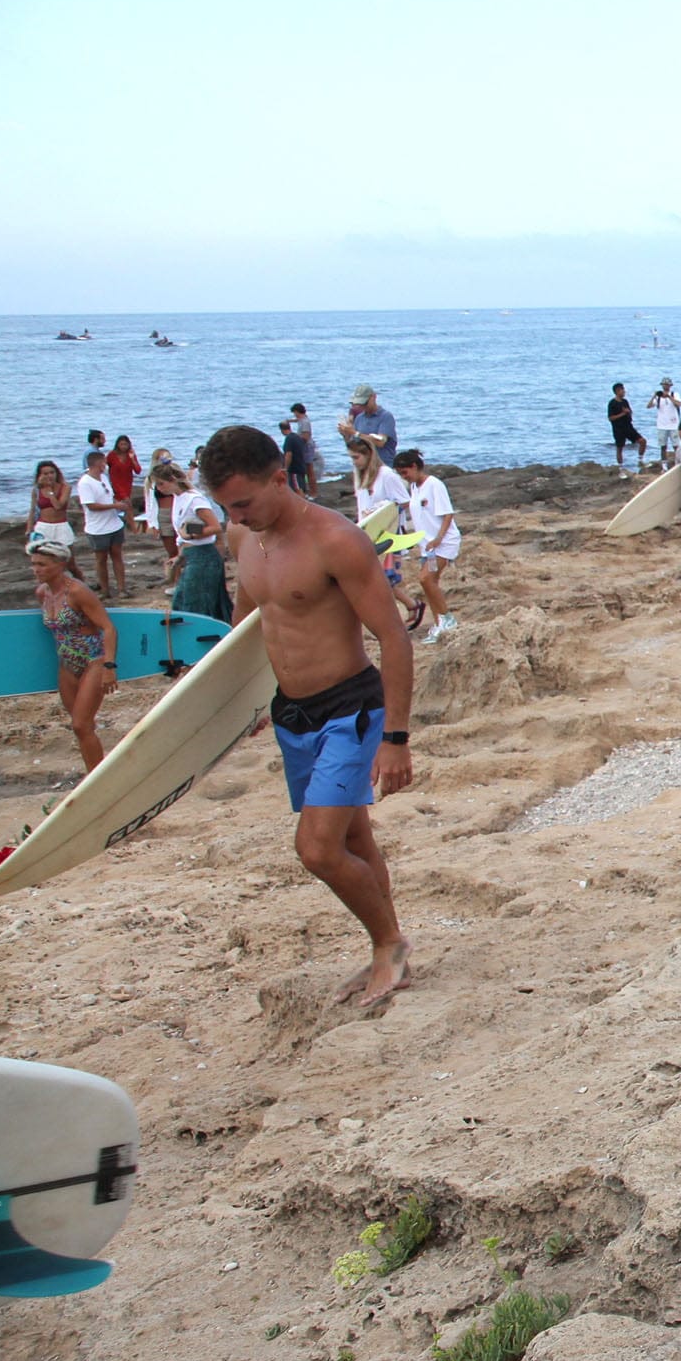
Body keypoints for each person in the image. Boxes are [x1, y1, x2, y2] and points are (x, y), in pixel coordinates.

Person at [200, 425, 415, 1009]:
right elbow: (247, 633)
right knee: (351, 835)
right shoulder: (244, 538)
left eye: (243, 502)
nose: (235, 515)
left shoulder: (335, 540)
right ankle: (388, 946)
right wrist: (237, 709)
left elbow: (393, 639)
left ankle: (388, 942)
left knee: (317, 849)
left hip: (351, 709)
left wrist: (395, 738)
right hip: (291, 714)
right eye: (225, 506)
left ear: (280, 478)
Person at [26, 532, 115, 771]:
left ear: (61, 564)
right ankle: (93, 773)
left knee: (80, 725)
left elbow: (107, 628)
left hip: (92, 661)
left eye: (42, 564)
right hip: (66, 663)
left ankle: (99, 778)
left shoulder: (77, 592)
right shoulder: (42, 593)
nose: (36, 569)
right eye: (34, 564)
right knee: (82, 726)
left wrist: (109, 666)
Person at [346, 434, 418, 630]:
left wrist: (381, 508)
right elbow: (361, 503)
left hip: (387, 533)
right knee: (377, 579)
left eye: (356, 458)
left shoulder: (386, 475)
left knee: (383, 578)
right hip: (367, 533)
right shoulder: (359, 475)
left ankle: (408, 608)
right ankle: (410, 607)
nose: (354, 462)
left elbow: (404, 501)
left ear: (368, 454)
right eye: (351, 458)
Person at [392, 449, 461, 642]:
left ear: (414, 467)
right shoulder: (414, 487)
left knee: (426, 579)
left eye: (405, 473)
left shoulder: (434, 485)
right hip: (428, 545)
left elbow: (448, 514)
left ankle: (447, 619)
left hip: (443, 543)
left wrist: (438, 538)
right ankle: (440, 622)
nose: (404, 477)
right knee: (430, 583)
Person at [152, 461, 231, 621]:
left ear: (173, 479)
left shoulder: (194, 499)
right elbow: (185, 530)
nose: (159, 489)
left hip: (204, 557)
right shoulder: (178, 498)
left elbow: (215, 526)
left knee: (196, 603)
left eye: (161, 484)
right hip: (191, 554)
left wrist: (192, 535)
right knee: (183, 599)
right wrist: (180, 555)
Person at [76, 446, 129, 598]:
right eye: (103, 463)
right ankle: (105, 590)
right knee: (101, 559)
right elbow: (91, 506)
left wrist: (119, 504)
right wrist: (115, 506)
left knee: (117, 555)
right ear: (98, 464)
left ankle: (121, 588)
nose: (105, 466)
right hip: (97, 528)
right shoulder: (85, 483)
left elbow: (108, 496)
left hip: (114, 524)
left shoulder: (104, 478)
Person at [339, 384, 398, 463]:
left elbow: (380, 442)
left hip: (383, 464)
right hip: (366, 466)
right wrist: (346, 435)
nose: (363, 406)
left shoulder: (385, 417)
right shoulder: (359, 418)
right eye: (360, 404)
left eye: (365, 403)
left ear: (373, 397)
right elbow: (355, 447)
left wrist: (355, 433)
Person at [29, 459, 73, 547]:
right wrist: (29, 529)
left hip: (61, 525)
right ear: (40, 476)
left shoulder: (65, 487)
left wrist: (50, 491)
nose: (50, 476)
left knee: (66, 556)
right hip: (43, 526)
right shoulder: (37, 490)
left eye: (52, 473)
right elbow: (32, 510)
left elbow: (58, 506)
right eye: (45, 474)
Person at [607, 382, 650, 473]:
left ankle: (640, 460)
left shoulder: (625, 401)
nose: (624, 392)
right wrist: (622, 414)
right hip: (618, 429)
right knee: (620, 448)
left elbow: (630, 412)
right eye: (622, 390)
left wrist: (628, 412)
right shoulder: (612, 403)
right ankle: (620, 467)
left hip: (628, 427)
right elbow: (611, 418)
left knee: (642, 441)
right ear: (617, 391)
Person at [649, 378, 681, 464]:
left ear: (670, 386)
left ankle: (678, 463)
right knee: (663, 446)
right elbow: (649, 406)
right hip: (662, 425)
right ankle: (664, 465)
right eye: (664, 384)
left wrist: (669, 397)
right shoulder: (658, 397)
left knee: (676, 446)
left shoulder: (674, 394)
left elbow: (679, 404)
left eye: (667, 384)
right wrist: (654, 396)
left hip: (673, 424)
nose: (665, 386)